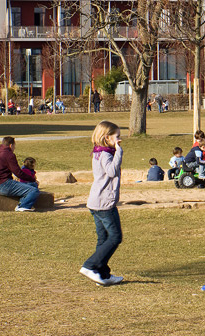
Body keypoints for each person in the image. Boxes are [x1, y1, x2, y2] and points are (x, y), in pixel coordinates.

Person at [80, 120, 125, 286]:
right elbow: (112, 171)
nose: (120, 139)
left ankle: (102, 275)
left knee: (103, 238)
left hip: (96, 202)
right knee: (115, 237)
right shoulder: (106, 154)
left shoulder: (98, 152)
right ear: (107, 138)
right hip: (104, 203)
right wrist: (119, 151)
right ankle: (89, 266)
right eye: (117, 136)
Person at [0, 137, 40, 211]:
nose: (14, 148)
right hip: (4, 184)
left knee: (32, 186)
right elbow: (18, 173)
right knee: (34, 190)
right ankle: (23, 206)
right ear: (11, 145)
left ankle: (21, 204)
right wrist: (32, 179)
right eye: (14, 146)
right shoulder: (9, 154)